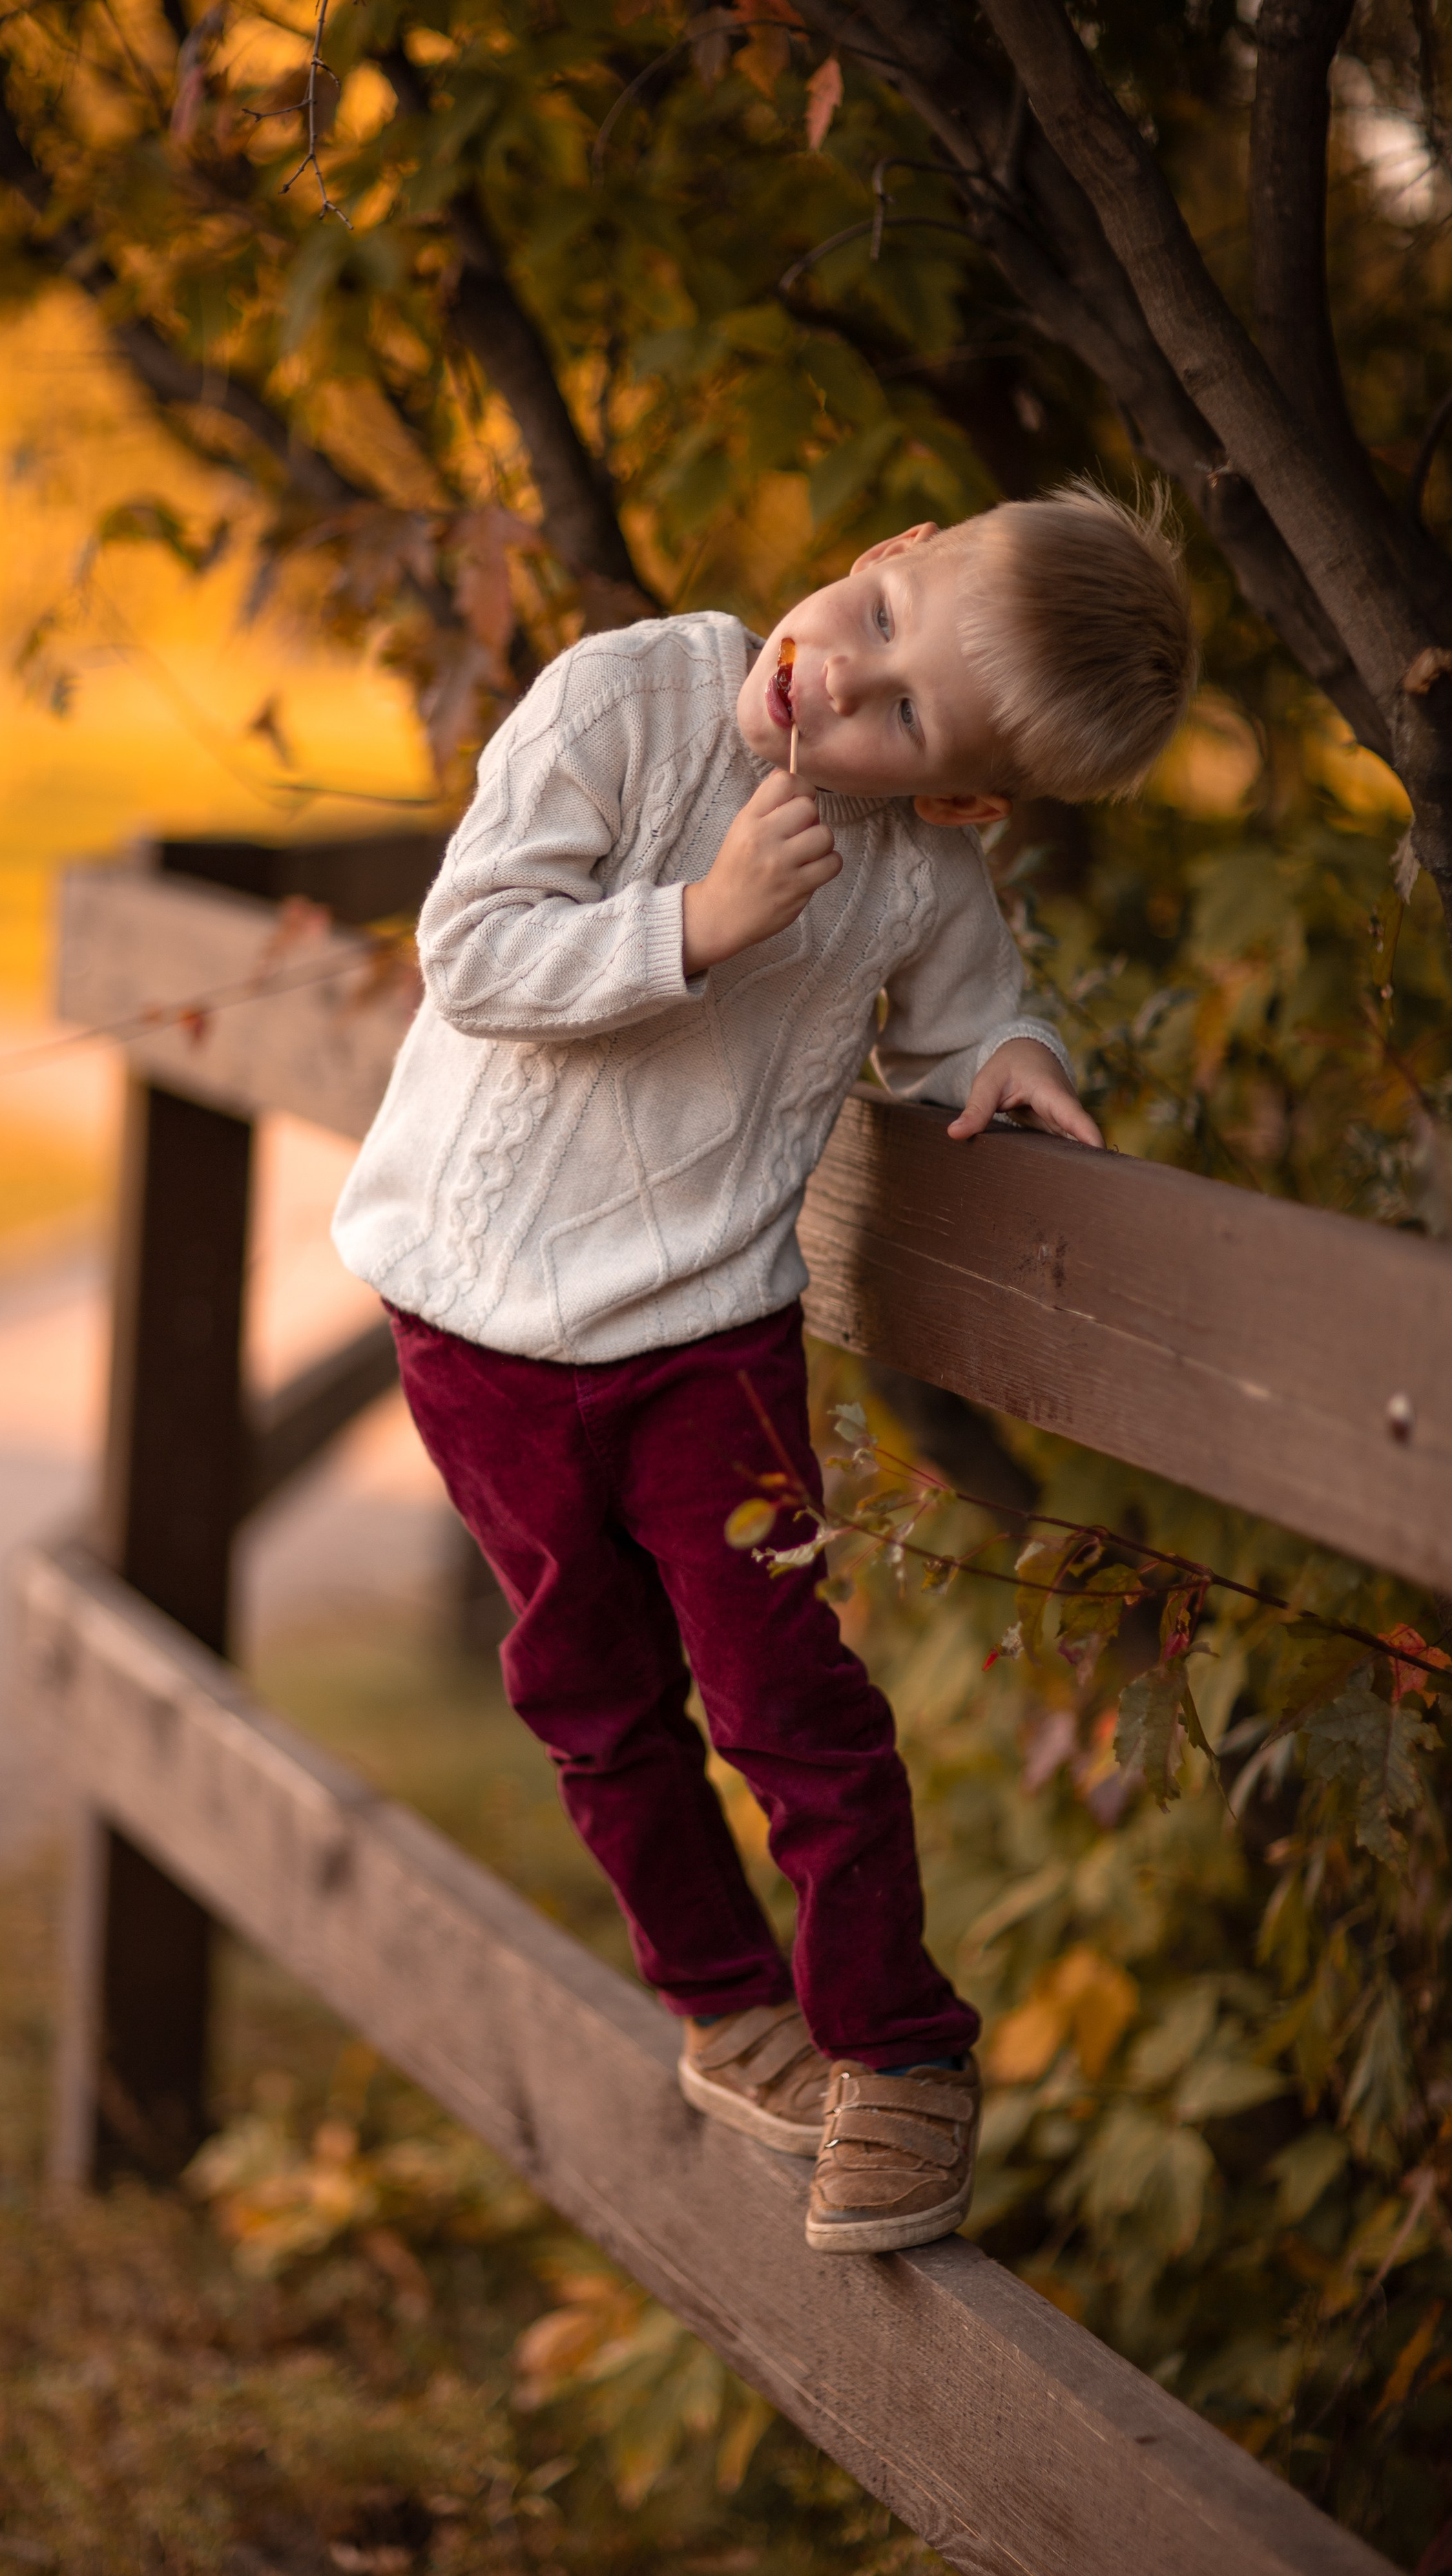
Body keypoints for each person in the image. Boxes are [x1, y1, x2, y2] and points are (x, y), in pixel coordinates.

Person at [333, 482, 1195, 2254]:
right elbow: (470, 949)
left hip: (703, 1334)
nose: (841, 682)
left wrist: (1012, 1050)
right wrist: (695, 922)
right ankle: (724, 2006)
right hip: (475, 1323)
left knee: (789, 1701)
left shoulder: (913, 866)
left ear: (953, 791)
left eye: (903, 716)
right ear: (888, 550)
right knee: (587, 1693)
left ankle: (896, 2057)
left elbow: (963, 996)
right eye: (874, 622)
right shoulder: (621, 699)